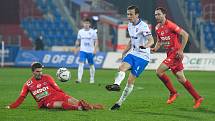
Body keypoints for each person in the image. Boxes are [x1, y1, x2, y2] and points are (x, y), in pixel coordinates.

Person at [151, 7, 203, 109]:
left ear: (164, 14)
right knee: (181, 78)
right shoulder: (157, 27)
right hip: (170, 54)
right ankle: (198, 98)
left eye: (159, 14)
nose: (157, 16)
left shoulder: (170, 25)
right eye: (155, 14)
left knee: (159, 71)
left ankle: (173, 93)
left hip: (175, 54)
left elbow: (185, 35)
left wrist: (181, 50)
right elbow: (160, 40)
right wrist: (155, 48)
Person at [105, 5, 154, 110]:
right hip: (134, 53)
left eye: (131, 14)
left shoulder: (143, 26)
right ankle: (116, 85)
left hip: (143, 57)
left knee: (130, 81)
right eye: (128, 14)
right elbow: (132, 40)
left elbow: (151, 40)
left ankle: (119, 103)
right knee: (122, 67)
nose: (129, 16)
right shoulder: (130, 25)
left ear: (137, 15)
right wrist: (125, 51)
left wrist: (145, 46)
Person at [6, 62, 103, 111]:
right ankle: (79, 108)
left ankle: (91, 106)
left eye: (41, 71)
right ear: (33, 72)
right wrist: (11, 106)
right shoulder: (28, 84)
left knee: (76, 101)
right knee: (61, 104)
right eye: (37, 71)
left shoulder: (47, 77)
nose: (40, 73)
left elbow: (57, 89)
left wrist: (66, 96)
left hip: (57, 94)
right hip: (46, 102)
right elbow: (21, 98)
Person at [75, 18, 98, 84]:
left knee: (91, 65)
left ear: (90, 24)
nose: (86, 24)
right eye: (85, 23)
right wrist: (76, 48)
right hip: (83, 51)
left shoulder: (93, 32)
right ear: (83, 24)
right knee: (81, 64)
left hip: (90, 51)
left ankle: (92, 79)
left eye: (87, 23)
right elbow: (78, 40)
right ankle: (79, 79)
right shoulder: (80, 32)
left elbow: (96, 41)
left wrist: (95, 50)